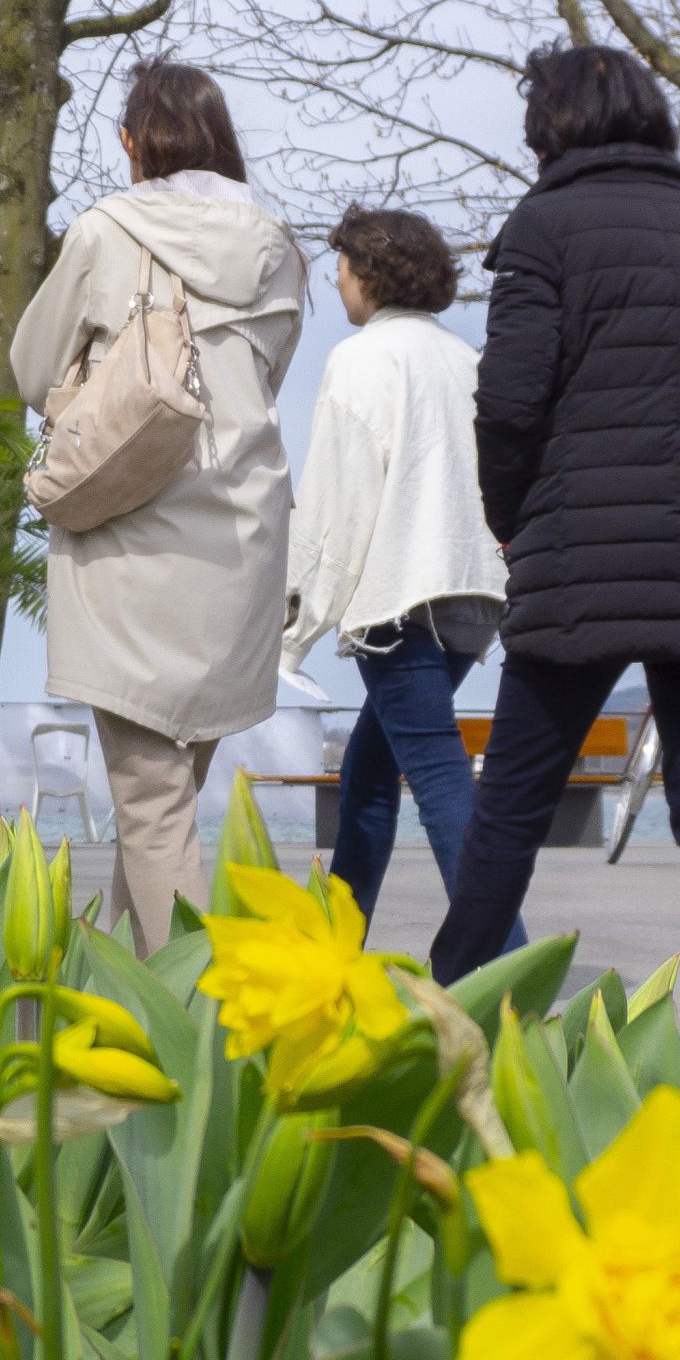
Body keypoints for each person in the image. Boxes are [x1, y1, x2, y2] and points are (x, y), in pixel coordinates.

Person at [428, 44, 680, 1095]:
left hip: (579, 552)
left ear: (551, 128)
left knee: (510, 800)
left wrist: (510, 514)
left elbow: (508, 398)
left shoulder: (542, 229)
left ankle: (447, 1012)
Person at [11, 61, 307, 953]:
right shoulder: (278, 247)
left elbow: (31, 369)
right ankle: (120, 1000)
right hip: (240, 542)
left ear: (132, 142)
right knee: (165, 799)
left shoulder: (106, 231)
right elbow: (269, 374)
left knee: (149, 805)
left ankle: (200, 1032)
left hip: (131, 533)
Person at [283, 208, 518, 940]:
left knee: (441, 778)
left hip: (399, 601)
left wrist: (295, 622)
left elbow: (336, 503)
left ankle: (510, 971)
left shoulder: (360, 359)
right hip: (469, 594)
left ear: (371, 274)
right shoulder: (463, 358)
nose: (336, 278)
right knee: (368, 774)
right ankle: (336, 946)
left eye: (343, 267)